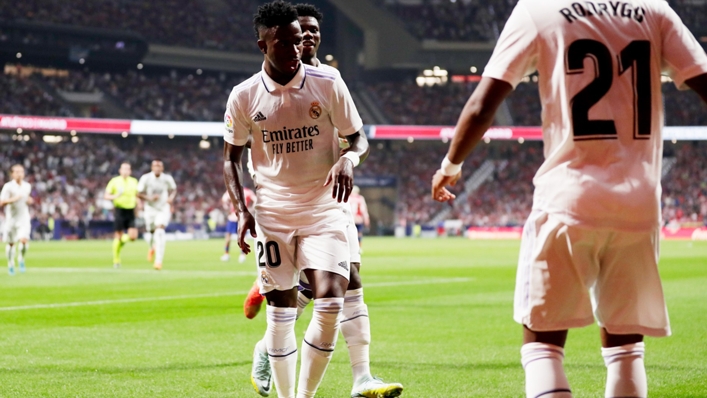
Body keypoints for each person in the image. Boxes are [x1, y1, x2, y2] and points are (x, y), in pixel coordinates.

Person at [431, 1, 707, 397]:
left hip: (568, 200)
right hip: (639, 205)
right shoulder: (654, 9)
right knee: (626, 351)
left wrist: (451, 164)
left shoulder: (537, 10)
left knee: (543, 346)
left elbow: (482, 105)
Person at [245, 4, 403, 398]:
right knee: (309, 293)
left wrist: (348, 159)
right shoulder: (257, 92)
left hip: (330, 204)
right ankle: (268, 349)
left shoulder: (328, 80)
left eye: (313, 32)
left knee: (348, 284)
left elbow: (355, 137)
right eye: (301, 32)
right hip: (283, 209)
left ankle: (361, 377)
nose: (308, 38)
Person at [137, 159, 177, 271]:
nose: (157, 168)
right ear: (152, 167)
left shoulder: (167, 178)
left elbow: (173, 190)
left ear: (162, 168)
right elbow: (138, 193)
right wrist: (149, 198)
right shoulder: (146, 178)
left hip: (163, 208)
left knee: (159, 231)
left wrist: (171, 198)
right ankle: (151, 248)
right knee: (151, 231)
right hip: (150, 209)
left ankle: (158, 261)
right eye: (155, 166)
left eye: (159, 166)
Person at [104, 162, 139, 268]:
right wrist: (115, 196)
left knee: (133, 236)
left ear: (130, 171)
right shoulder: (114, 181)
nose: (125, 171)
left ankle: (121, 240)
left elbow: (137, 195)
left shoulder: (134, 182)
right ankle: (116, 260)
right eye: (124, 169)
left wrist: (139, 206)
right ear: (120, 171)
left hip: (131, 210)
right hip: (119, 210)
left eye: (128, 169)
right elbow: (106, 196)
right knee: (118, 236)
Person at [0, 165, 33, 275]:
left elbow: (27, 199)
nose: (20, 173)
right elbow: (1, 202)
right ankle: (10, 263)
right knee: (11, 243)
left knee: (23, 240)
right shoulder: (8, 187)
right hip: (11, 219)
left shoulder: (27, 186)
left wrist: (29, 201)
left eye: (21, 171)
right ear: (12, 174)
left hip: (23, 218)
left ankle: (21, 259)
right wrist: (14, 199)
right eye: (17, 171)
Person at [221, 186, 255, 263]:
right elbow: (255, 200)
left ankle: (226, 254)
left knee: (228, 236)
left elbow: (224, 199)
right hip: (243, 217)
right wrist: (250, 210)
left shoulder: (232, 190)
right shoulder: (248, 192)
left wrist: (227, 209)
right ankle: (242, 255)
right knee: (243, 236)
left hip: (233, 216)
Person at [348, 185, 370, 250]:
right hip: (359, 219)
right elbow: (364, 210)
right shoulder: (360, 198)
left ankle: (352, 248)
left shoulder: (349, 198)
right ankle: (359, 248)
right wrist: (366, 218)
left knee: (351, 234)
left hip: (351, 219)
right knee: (359, 233)